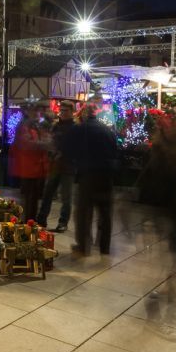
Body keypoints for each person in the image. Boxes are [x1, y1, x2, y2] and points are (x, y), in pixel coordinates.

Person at [65, 101, 118, 255]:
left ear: (84, 114)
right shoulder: (107, 130)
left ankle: (83, 246)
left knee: (83, 213)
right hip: (106, 177)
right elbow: (115, 151)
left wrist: (76, 163)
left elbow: (68, 151)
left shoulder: (79, 129)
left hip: (87, 175)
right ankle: (104, 247)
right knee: (105, 213)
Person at [36, 100, 76, 232]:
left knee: (66, 197)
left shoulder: (76, 128)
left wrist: (64, 153)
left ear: (72, 112)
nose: (63, 113)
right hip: (54, 165)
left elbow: (77, 147)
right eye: (62, 110)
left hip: (68, 166)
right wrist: (50, 151)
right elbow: (49, 141)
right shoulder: (55, 126)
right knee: (47, 193)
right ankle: (41, 219)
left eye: (66, 111)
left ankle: (63, 222)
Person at [10, 102, 48, 221]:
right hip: (28, 168)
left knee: (33, 198)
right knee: (29, 199)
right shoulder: (24, 125)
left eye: (38, 111)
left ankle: (31, 222)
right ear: (27, 112)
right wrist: (45, 144)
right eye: (34, 111)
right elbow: (27, 144)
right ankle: (27, 224)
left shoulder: (34, 125)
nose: (38, 113)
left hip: (35, 168)